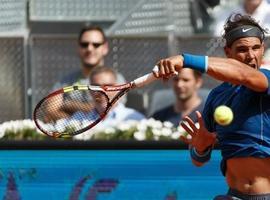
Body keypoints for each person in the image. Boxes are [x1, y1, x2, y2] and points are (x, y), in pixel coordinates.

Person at [154, 14, 270, 199]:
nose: (250, 56)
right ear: (227, 52)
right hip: (233, 195)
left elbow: (244, 75)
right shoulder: (216, 96)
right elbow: (198, 160)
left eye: (256, 48)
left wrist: (185, 60)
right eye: (242, 49)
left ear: (262, 50)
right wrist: (201, 148)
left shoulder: (266, 79)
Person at [48, 25, 126, 121]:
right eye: (84, 44)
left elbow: (108, 107)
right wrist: (80, 123)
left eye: (96, 45)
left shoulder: (116, 78)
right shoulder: (65, 81)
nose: (89, 49)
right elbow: (49, 114)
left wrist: (68, 104)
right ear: (78, 47)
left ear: (105, 48)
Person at [69, 66, 145, 128]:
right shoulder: (77, 119)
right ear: (90, 90)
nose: (102, 92)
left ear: (118, 89)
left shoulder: (135, 118)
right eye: (96, 87)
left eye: (107, 86)